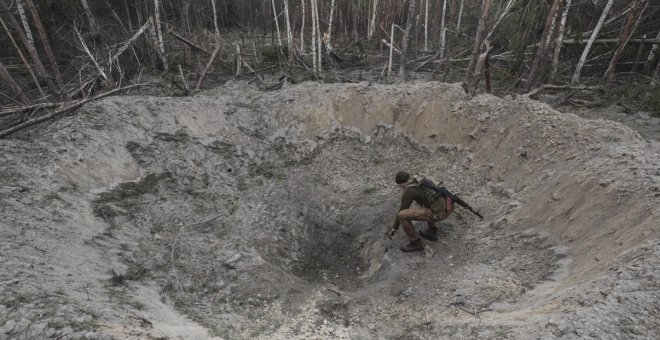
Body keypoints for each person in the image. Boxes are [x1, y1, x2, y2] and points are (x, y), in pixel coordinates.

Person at [387, 170, 454, 252]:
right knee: (424, 202)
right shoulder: (420, 179)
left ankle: (416, 243)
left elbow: (402, 210)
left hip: (440, 213)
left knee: (402, 215)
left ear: (403, 183)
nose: (400, 187)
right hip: (449, 206)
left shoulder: (409, 190)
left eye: (400, 185)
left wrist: (394, 228)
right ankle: (432, 231)